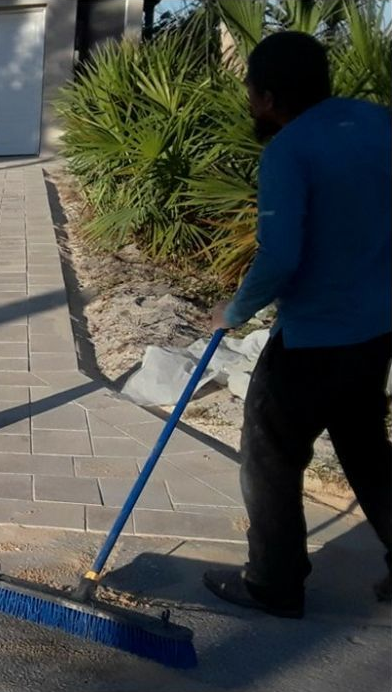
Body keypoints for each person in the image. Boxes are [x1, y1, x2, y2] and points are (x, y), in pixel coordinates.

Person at [203, 31, 392, 619]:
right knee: (366, 448)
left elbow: (280, 257)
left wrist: (233, 313)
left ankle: (274, 582)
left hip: (315, 336)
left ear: (267, 96)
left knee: (270, 454)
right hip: (377, 329)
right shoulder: (380, 123)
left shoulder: (289, 150)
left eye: (253, 94)